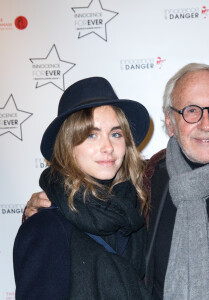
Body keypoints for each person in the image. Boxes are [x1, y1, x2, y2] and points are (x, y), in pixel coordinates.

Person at [23, 63, 209, 300]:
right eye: (191, 111)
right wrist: (42, 212)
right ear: (170, 122)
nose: (206, 124)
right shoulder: (147, 183)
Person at [14, 77, 152, 299]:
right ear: (68, 145)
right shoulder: (45, 226)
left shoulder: (134, 215)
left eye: (116, 134)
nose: (108, 147)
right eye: (91, 135)